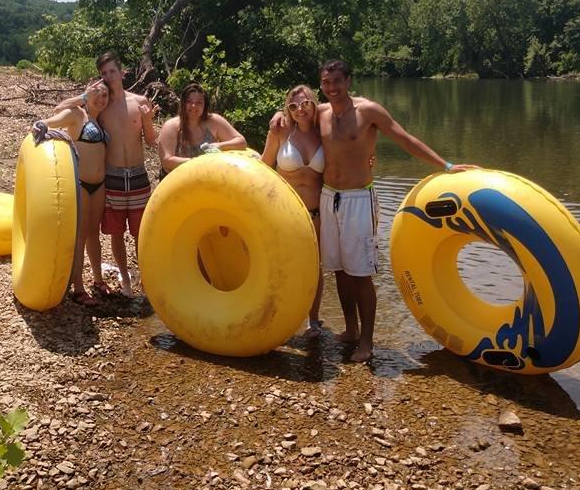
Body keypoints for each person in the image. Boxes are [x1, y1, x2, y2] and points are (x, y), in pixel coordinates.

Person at [272, 60, 477, 363]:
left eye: (337, 81)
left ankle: (367, 340)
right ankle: (351, 330)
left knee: (361, 273)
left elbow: (405, 139)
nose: (332, 88)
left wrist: (446, 166)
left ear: (349, 80)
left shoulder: (368, 111)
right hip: (330, 198)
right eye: (326, 83)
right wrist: (278, 113)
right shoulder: (322, 114)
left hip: (358, 200)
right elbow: (295, 114)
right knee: (339, 269)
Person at [53, 52, 158, 297]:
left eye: (112, 71)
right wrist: (84, 95)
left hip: (138, 174)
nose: (108, 77)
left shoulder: (139, 101)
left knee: (143, 231)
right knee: (116, 232)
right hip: (111, 176)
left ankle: (149, 278)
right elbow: (63, 109)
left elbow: (151, 140)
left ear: (122, 73)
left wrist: (148, 119)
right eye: (104, 73)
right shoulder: (101, 103)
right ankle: (126, 280)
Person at [33, 81, 111, 306]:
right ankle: (78, 288)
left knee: (94, 234)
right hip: (82, 184)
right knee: (80, 236)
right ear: (87, 93)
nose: (101, 98)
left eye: (105, 94)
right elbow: (55, 117)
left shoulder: (101, 120)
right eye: (97, 93)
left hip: (99, 185)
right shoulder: (77, 115)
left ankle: (98, 279)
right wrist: (43, 126)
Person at [261, 84, 326, 338]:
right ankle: (276, 316)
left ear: (314, 103)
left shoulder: (325, 131)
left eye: (306, 103)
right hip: (284, 214)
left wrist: (368, 158)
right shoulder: (281, 131)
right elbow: (264, 165)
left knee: (314, 267)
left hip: (316, 212)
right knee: (279, 265)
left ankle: (313, 319)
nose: (300, 109)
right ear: (287, 108)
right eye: (293, 105)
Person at [158, 82, 247, 176]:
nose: (193, 106)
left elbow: (241, 142)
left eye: (199, 102)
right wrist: (198, 162)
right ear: (183, 103)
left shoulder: (214, 121)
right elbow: (166, 161)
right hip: (176, 181)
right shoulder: (171, 126)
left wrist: (219, 146)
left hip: (206, 180)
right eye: (189, 101)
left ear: (205, 105)